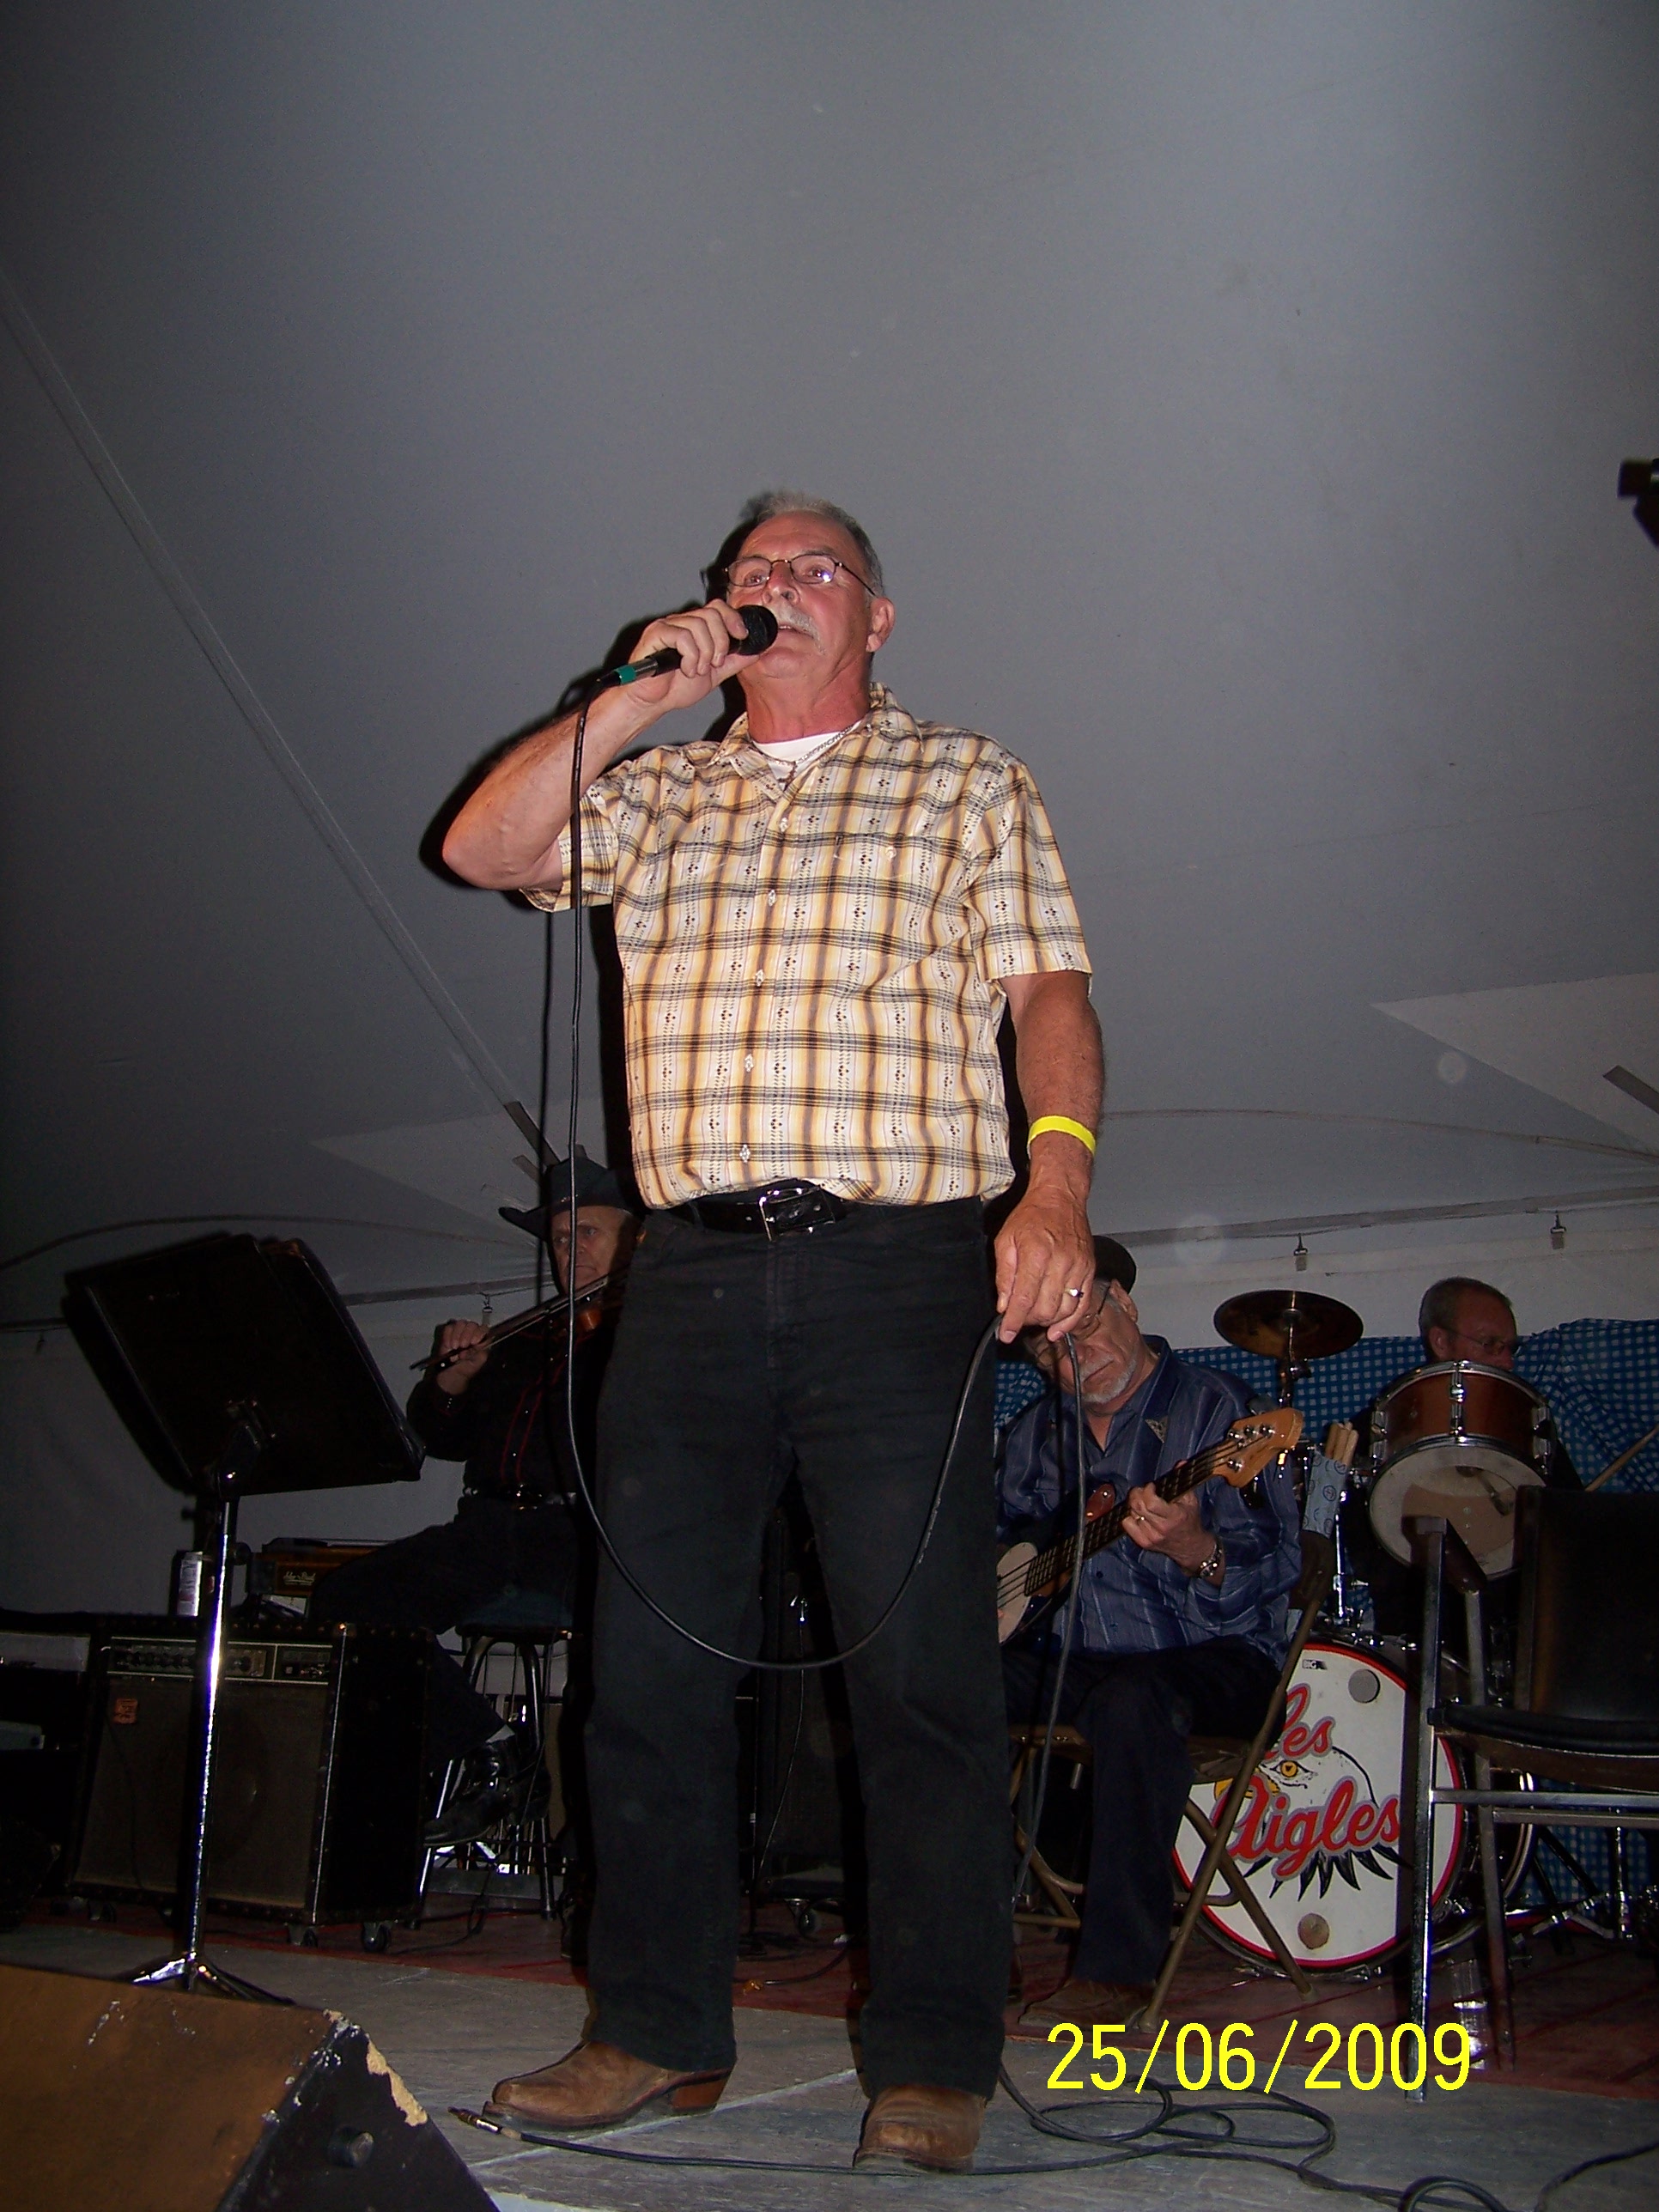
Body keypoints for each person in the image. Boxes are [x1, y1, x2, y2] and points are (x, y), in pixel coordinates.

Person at [440, 492, 1101, 2172]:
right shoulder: (655, 790)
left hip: (898, 1265)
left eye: (812, 571)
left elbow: (1047, 991)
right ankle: (654, 2028)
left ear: (877, 617)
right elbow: (484, 851)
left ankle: (934, 2054)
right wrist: (634, 697)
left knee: (919, 1676)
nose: (773, 590)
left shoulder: (966, 777)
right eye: (746, 575)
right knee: (647, 1670)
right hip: (690, 1279)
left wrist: (1057, 1183)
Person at [999, 1237, 1301, 2033]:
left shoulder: (1222, 1413)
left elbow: (1278, 1569)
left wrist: (1197, 1550)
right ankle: (972, 1944)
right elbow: (997, 1550)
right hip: (1079, 1660)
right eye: (1050, 1349)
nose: (1074, 1355)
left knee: (1134, 1701)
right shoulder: (1033, 1436)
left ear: (1125, 1303)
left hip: (1216, 1662)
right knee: (945, 1683)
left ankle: (1117, 1973)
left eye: (1084, 1324)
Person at [311, 1148, 636, 1843]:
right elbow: (444, 1438)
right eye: (559, 1238)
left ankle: (605, 1831)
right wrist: (453, 1379)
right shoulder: (521, 1341)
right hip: (486, 1528)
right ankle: (496, 1749)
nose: (570, 1250)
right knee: (346, 1601)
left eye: (588, 1232)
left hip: (577, 1535)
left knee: (628, 1642)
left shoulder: (646, 1335)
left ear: (633, 1241)